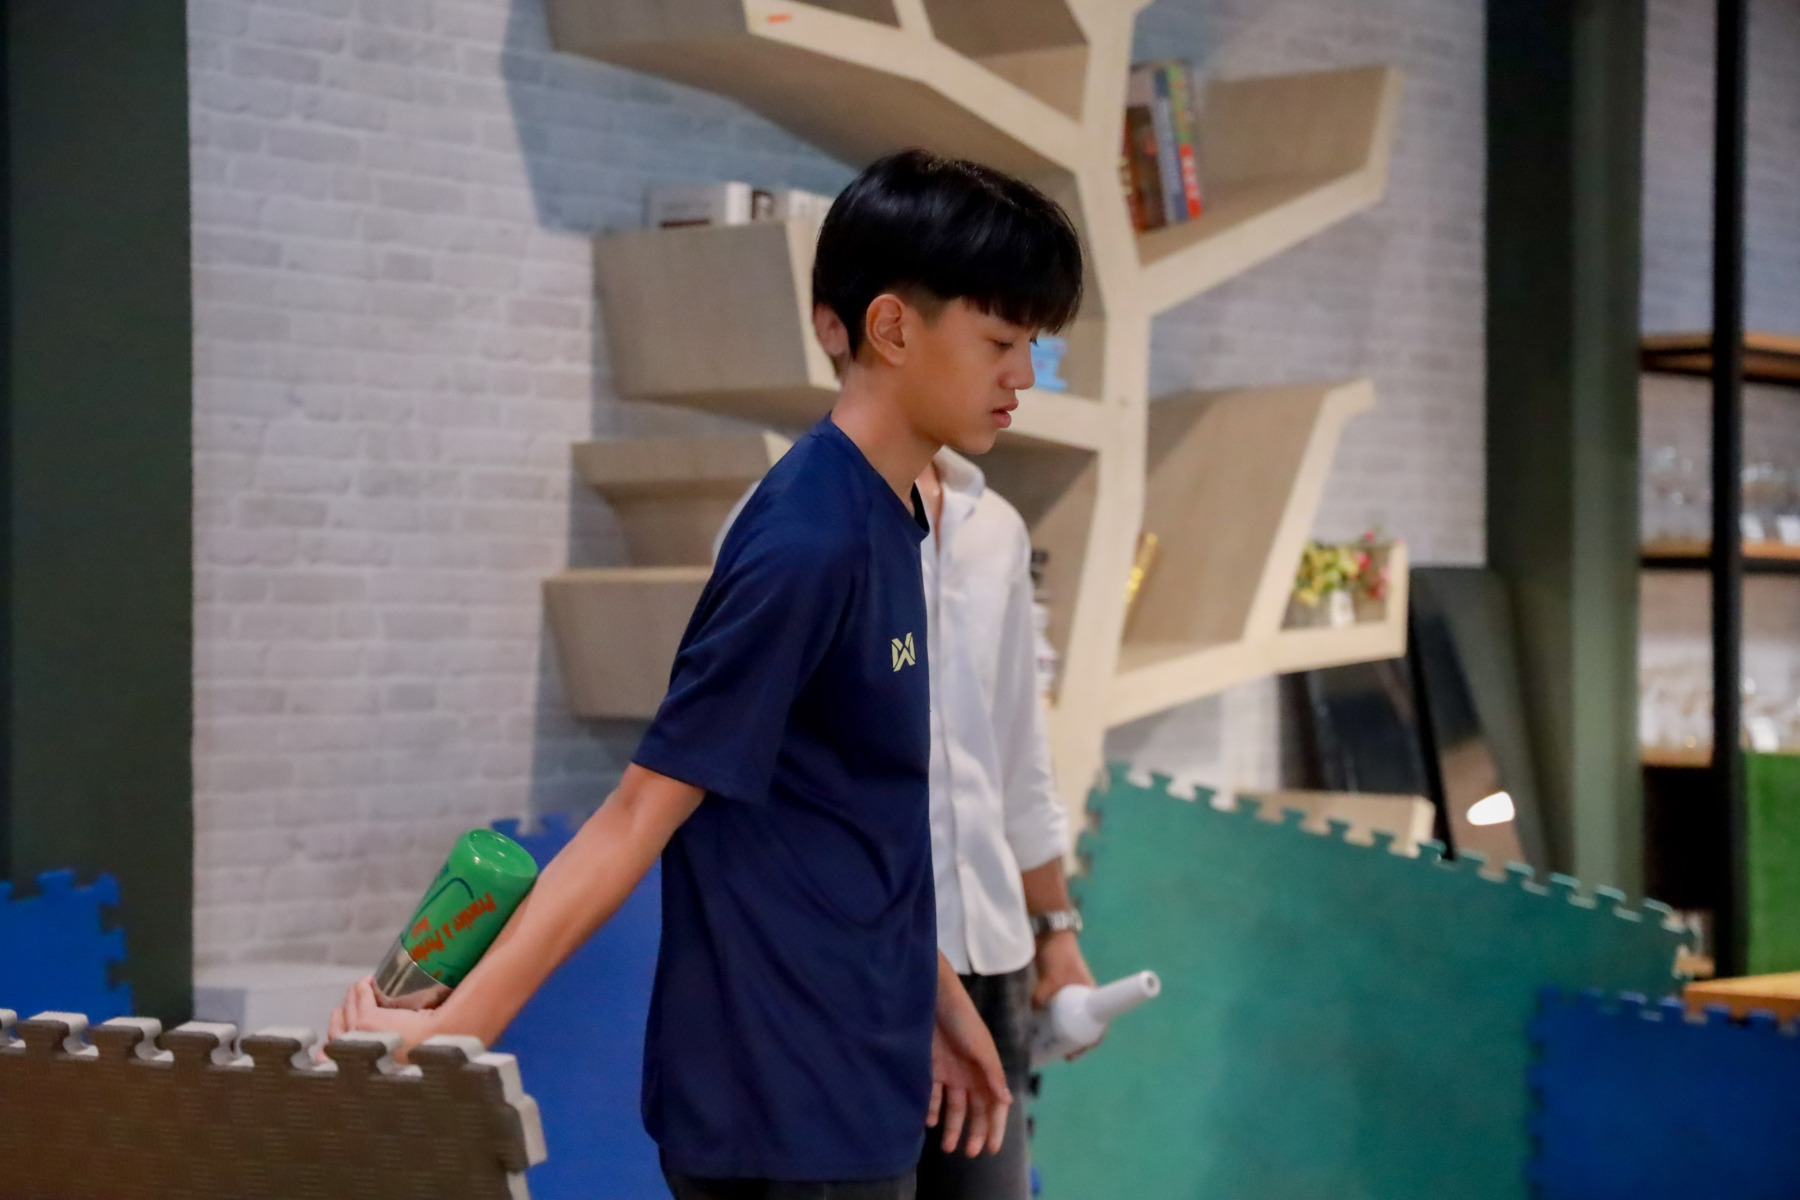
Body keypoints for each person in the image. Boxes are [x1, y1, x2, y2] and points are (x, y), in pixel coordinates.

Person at [331, 148, 1085, 1200]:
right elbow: (639, 814)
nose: (1023, 377)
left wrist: (939, 998)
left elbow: (845, 816)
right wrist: (455, 1031)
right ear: (891, 327)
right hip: (781, 1099)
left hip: (863, 1073)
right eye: (1002, 342)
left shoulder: (898, 511)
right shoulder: (804, 540)